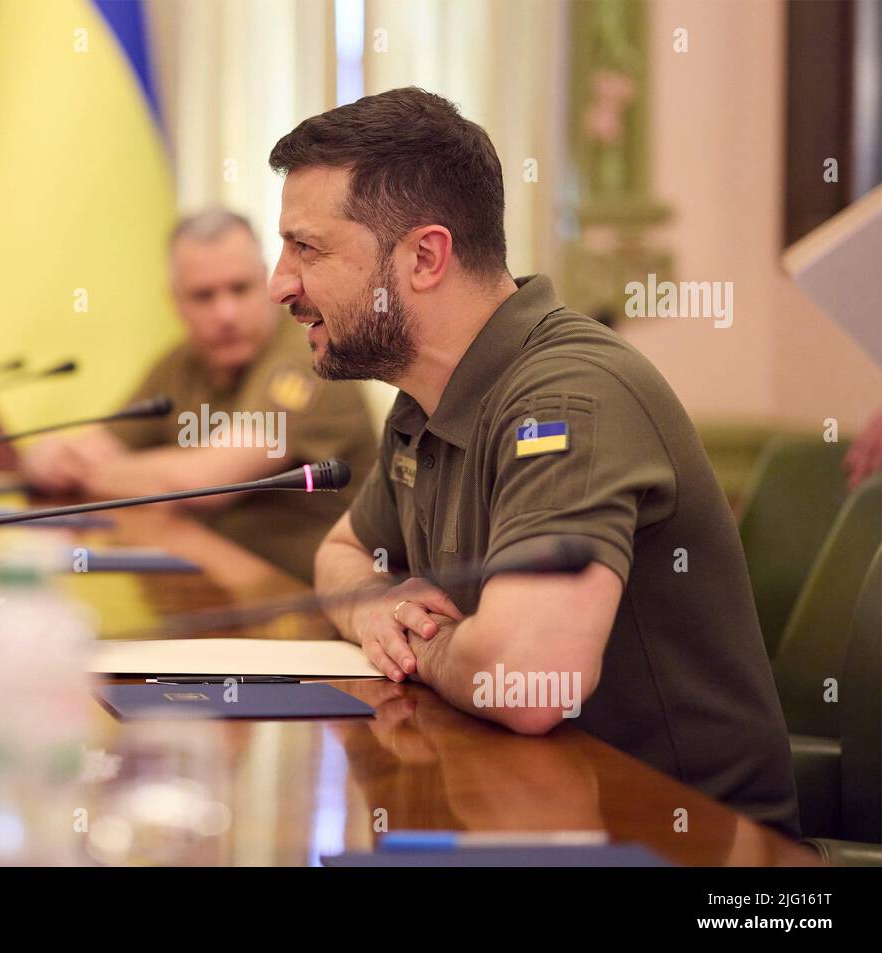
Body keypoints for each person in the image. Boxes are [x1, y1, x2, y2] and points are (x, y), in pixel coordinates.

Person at [269, 87, 799, 834]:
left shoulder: (570, 395)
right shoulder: (423, 396)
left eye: (307, 248)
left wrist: (423, 645)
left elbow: (525, 679)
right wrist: (373, 605)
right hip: (534, 813)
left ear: (425, 256)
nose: (279, 284)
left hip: (687, 849)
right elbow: (345, 549)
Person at [19, 208, 377, 584]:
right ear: (175, 302)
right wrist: (47, 457)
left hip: (315, 604)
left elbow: (207, 482)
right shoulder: (180, 363)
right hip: (223, 583)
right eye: (204, 296)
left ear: (266, 282)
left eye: (240, 289)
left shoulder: (307, 356)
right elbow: (88, 449)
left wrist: (92, 472)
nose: (226, 313)